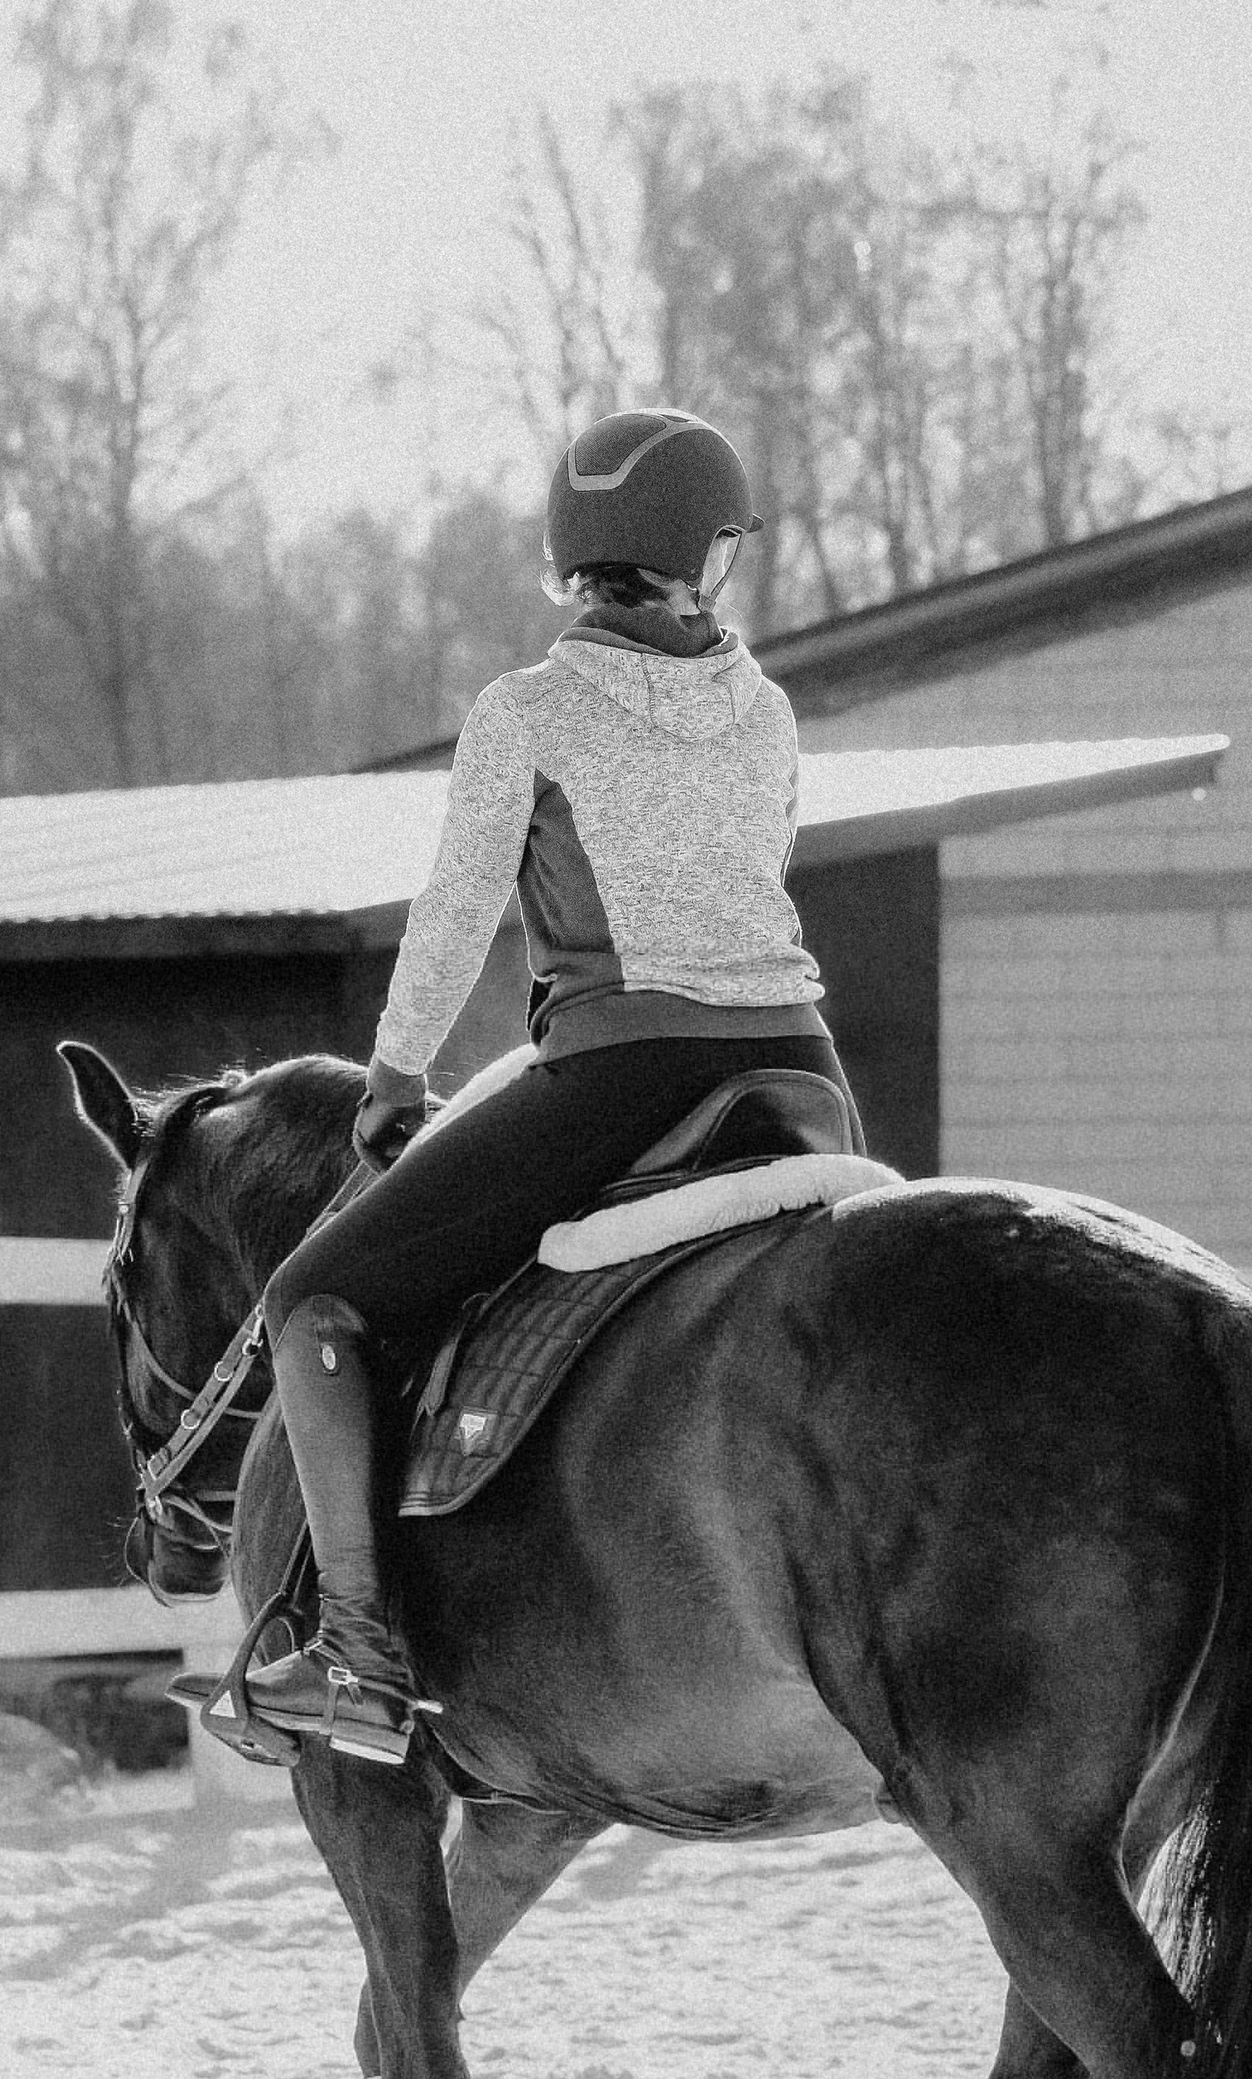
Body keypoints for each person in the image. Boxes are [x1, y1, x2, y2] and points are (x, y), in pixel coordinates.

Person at [244, 408, 854, 1765]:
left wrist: (396, 1074)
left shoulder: (528, 711)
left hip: (623, 1077)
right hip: (808, 1076)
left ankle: (354, 1656)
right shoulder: (764, 709)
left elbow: (462, 910)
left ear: (572, 554)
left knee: (315, 1303)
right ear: (711, 551)